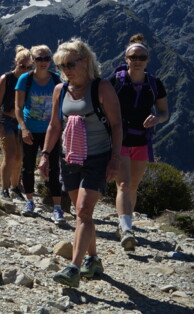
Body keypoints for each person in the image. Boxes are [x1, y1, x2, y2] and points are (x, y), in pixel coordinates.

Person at [38, 39, 124, 288]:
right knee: (80, 214)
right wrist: (45, 154)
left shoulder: (102, 88)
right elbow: (54, 125)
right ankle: (94, 259)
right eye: (61, 66)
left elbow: (117, 125)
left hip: (98, 158)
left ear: (85, 61)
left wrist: (115, 159)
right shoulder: (60, 90)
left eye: (70, 64)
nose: (66, 70)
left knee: (84, 211)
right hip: (70, 157)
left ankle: (74, 267)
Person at [110, 34, 169, 251]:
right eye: (133, 56)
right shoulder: (116, 81)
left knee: (132, 185)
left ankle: (123, 225)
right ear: (126, 58)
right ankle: (127, 230)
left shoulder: (155, 84)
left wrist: (157, 118)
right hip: (120, 139)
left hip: (142, 141)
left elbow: (164, 112)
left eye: (142, 57)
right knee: (123, 184)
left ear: (148, 59)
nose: (137, 60)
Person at [15, 44, 65, 224]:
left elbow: (62, 108)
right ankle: (29, 201)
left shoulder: (57, 80)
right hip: (30, 130)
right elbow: (18, 107)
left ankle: (57, 208)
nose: (43, 62)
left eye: (46, 58)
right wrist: (24, 128)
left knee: (54, 168)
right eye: (39, 59)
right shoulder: (25, 80)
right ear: (32, 60)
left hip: (51, 131)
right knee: (27, 166)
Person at [0, 45, 32, 200]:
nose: (25, 69)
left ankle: (15, 187)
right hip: (5, 120)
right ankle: (5, 189)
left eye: (29, 67)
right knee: (10, 155)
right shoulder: (6, 79)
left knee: (19, 156)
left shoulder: (29, 80)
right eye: (22, 66)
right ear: (16, 63)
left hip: (21, 122)